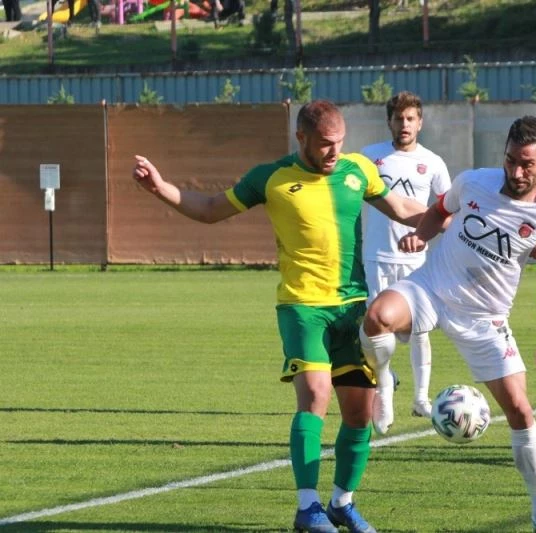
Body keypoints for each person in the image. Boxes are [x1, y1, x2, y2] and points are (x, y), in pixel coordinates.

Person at [132, 100, 427, 533]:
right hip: (302, 307)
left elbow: (403, 209)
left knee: (360, 414)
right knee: (316, 394)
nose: (334, 152)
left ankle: (342, 503)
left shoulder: (357, 170)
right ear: (301, 138)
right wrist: (162, 188)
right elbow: (212, 208)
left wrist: (451, 216)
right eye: (326, 144)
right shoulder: (270, 178)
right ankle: (307, 507)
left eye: (340, 143)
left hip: (352, 307)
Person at [360, 115, 536, 533]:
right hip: (431, 288)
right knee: (377, 317)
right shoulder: (474, 181)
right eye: (511, 159)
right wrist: (422, 236)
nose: (516, 171)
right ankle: (383, 382)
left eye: (527, 164)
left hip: (484, 319)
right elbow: (440, 210)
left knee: (519, 410)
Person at [361, 91, 451, 430]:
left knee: (420, 331)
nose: (404, 124)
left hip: (416, 262)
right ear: (389, 121)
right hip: (376, 258)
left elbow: (446, 210)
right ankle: (384, 383)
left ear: (420, 122)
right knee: (372, 332)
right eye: (398, 118)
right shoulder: (370, 158)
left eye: (411, 118)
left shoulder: (433, 162)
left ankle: (421, 399)